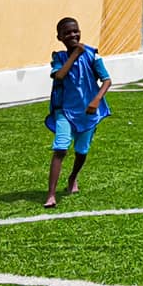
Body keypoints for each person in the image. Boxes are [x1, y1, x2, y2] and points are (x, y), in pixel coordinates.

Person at [45, 16, 112, 208]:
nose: (73, 35)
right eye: (67, 33)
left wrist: (96, 99)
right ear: (60, 37)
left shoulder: (93, 55)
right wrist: (74, 54)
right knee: (61, 147)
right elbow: (59, 75)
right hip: (64, 111)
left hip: (88, 112)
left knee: (81, 150)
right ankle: (51, 194)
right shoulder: (59, 58)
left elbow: (106, 80)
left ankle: (73, 177)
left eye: (75, 31)